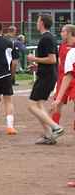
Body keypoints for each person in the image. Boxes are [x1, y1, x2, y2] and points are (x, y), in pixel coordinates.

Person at [27, 14, 64, 145]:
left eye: (37, 21)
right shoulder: (48, 38)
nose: (36, 23)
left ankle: (56, 128)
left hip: (47, 76)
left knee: (31, 105)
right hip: (47, 74)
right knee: (39, 105)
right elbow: (52, 61)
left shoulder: (46, 38)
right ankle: (49, 135)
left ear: (42, 23)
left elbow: (52, 59)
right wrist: (38, 66)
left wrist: (34, 59)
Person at [51, 24, 75, 129]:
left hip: (73, 78)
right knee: (57, 104)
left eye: (63, 31)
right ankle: (54, 128)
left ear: (69, 33)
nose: (61, 34)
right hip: (63, 78)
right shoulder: (62, 46)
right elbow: (60, 63)